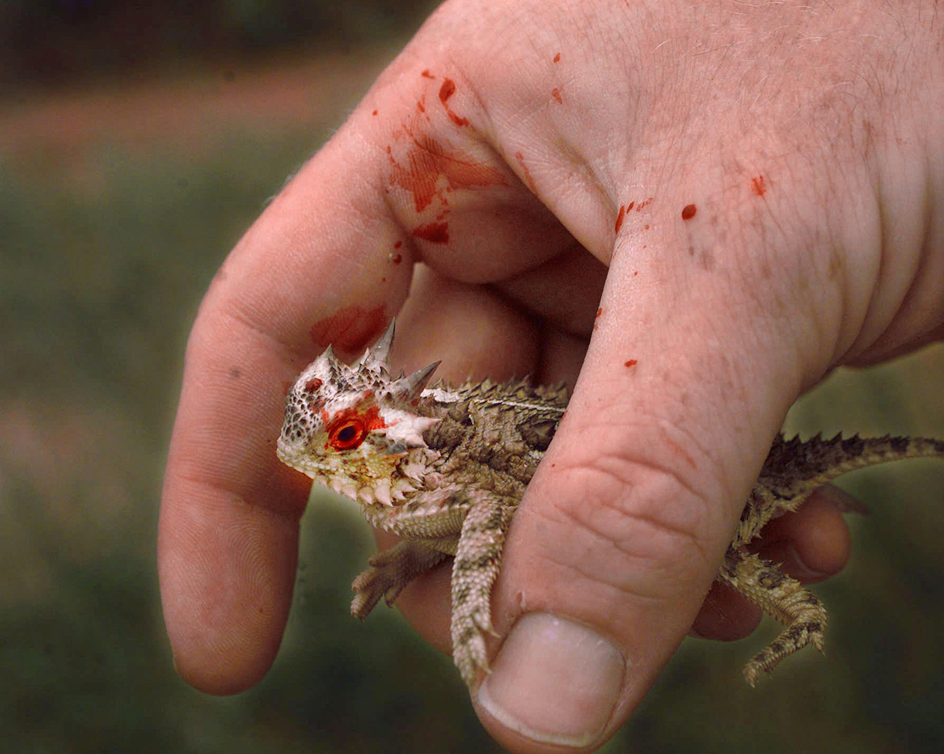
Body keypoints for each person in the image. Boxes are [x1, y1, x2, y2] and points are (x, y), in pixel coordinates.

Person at [157, 1, 944, 751]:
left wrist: (472, 617)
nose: (329, 449)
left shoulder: (443, 467)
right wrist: (404, 560)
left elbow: (489, 519)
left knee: (737, 551)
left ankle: (804, 623)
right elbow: (455, 525)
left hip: (723, 485)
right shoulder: (428, 473)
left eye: (347, 433)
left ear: (378, 435)